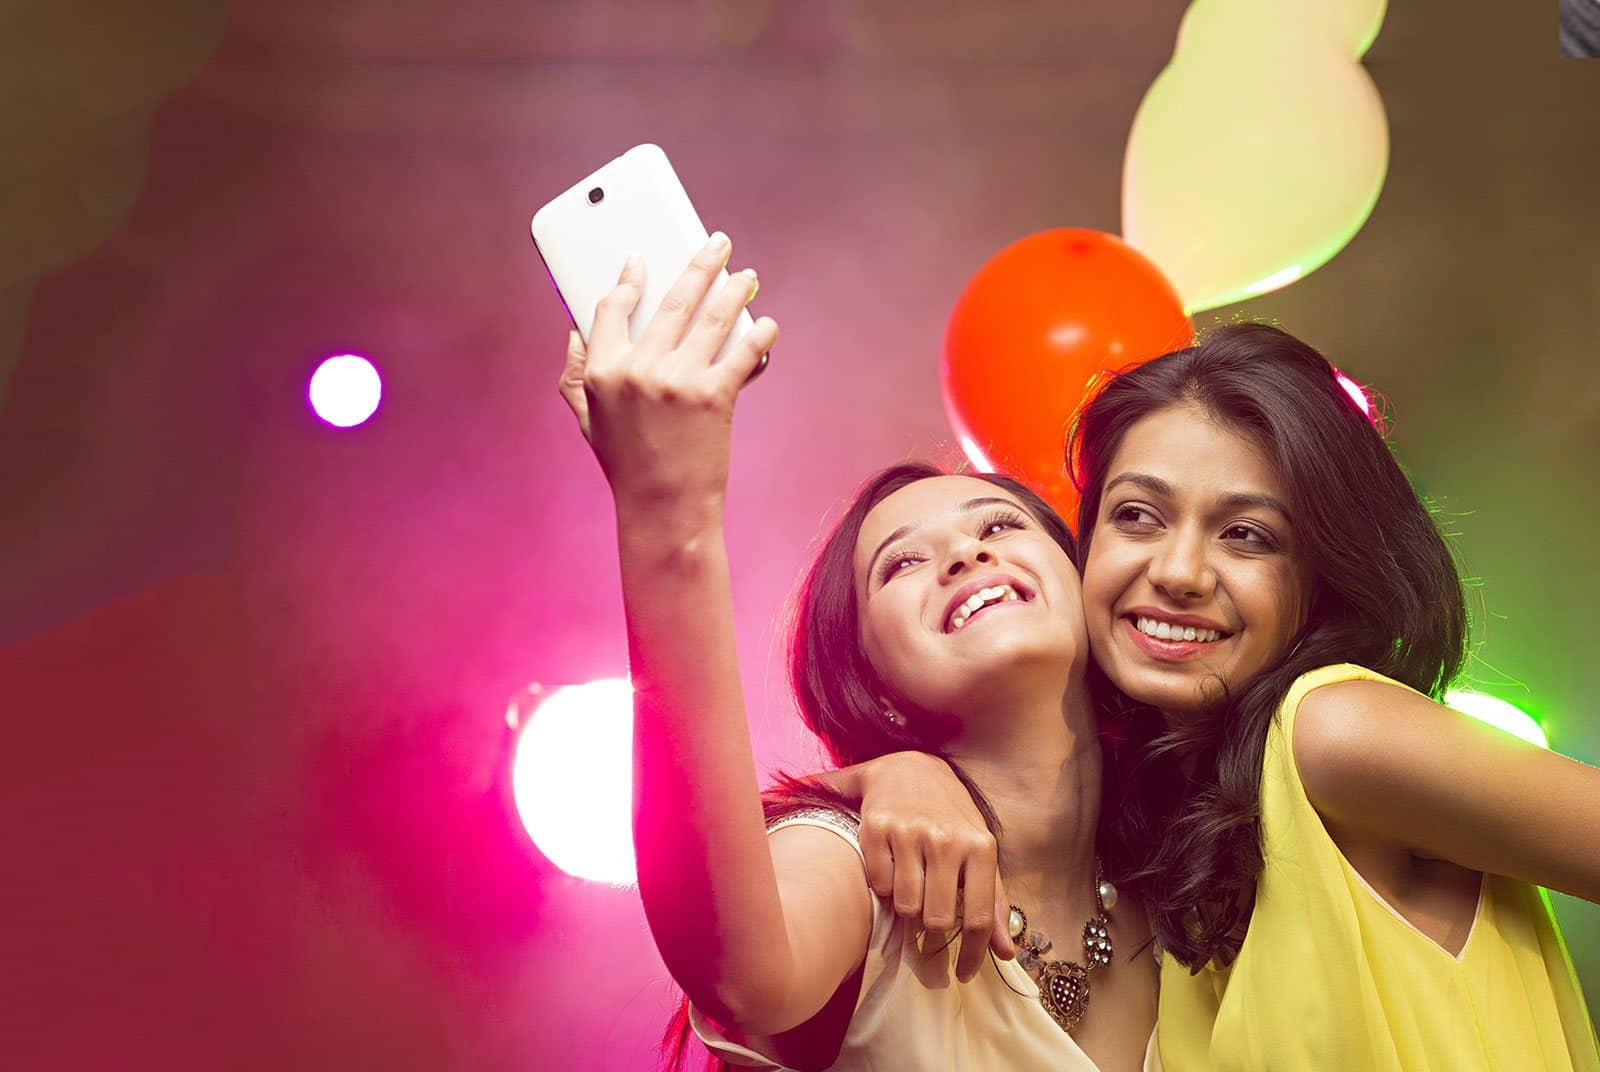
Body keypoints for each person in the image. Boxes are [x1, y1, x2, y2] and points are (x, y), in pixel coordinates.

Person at [839, 324, 1600, 1070]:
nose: (1179, 572)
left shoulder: (1331, 730)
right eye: (1137, 515)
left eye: (1247, 535)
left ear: (1322, 577)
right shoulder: (1163, 836)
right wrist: (896, 772)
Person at [556, 233, 1160, 1070]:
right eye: (903, 563)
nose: (965, 555)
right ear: (871, 688)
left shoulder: (1193, 887)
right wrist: (667, 514)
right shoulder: (858, 864)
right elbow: (742, 974)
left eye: (1001, 526)